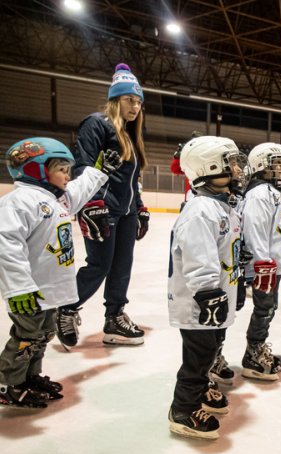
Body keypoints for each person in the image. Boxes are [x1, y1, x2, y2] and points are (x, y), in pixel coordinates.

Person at [0, 138, 119, 408]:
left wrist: (98, 172)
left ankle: (30, 376)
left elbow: (80, 188)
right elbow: (6, 247)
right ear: (36, 170)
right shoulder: (19, 202)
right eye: (61, 169)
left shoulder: (57, 199)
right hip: (29, 290)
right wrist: (17, 287)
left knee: (42, 335)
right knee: (26, 336)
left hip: (51, 288)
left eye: (69, 168)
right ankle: (8, 383)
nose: (68, 175)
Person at [55, 63, 150, 348]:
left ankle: (115, 317)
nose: (134, 106)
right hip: (101, 208)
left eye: (138, 102)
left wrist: (140, 207)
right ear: (115, 99)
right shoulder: (95, 123)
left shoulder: (131, 135)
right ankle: (66, 309)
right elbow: (84, 166)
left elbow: (131, 180)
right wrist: (92, 204)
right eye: (128, 100)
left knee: (122, 266)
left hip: (125, 210)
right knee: (99, 265)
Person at [167, 136, 248, 439]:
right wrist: (208, 293)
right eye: (231, 164)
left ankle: (200, 390)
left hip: (216, 298)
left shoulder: (223, 206)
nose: (239, 170)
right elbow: (198, 256)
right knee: (198, 357)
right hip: (200, 302)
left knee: (212, 349)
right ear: (210, 168)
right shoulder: (201, 209)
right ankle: (183, 410)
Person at [239, 142, 281, 381]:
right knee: (264, 309)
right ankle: (253, 353)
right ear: (261, 166)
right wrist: (262, 264)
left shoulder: (278, 194)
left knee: (269, 309)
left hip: (275, 265)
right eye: (277, 164)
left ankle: (258, 347)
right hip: (266, 267)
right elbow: (255, 229)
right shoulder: (260, 194)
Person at [170, 131, 204, 204]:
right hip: (189, 198)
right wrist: (177, 157)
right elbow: (175, 169)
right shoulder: (188, 158)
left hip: (203, 198)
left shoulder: (206, 158)